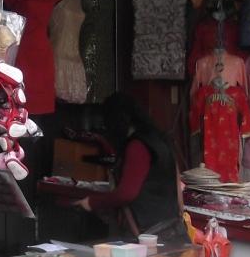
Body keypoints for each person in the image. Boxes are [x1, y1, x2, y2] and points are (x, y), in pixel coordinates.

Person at [71, 92, 181, 235]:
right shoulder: (159, 139)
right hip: (169, 225)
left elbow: (127, 193)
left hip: (147, 229)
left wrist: (92, 202)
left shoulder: (137, 146)